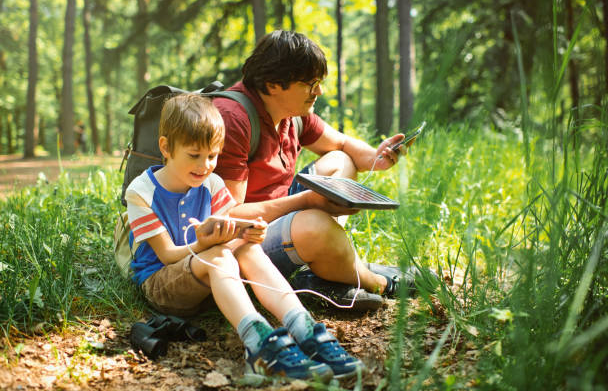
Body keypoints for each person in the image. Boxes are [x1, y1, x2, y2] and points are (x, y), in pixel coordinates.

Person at [125, 93, 364, 381]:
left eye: (213, 156)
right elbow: (166, 255)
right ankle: (258, 345)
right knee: (219, 255)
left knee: (247, 249)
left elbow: (233, 223)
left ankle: (303, 327)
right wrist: (204, 244)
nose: (205, 165)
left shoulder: (211, 184)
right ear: (166, 147)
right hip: (163, 284)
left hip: (210, 277)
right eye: (194, 155)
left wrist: (250, 232)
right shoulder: (142, 192)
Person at [213, 30, 420, 308]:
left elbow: (342, 144)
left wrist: (377, 157)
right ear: (274, 84)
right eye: (310, 83)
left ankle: (327, 269)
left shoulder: (292, 114)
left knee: (340, 160)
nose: (319, 91)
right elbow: (228, 215)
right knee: (316, 225)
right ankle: (376, 282)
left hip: (277, 213)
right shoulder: (233, 119)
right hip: (243, 239)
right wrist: (307, 201)